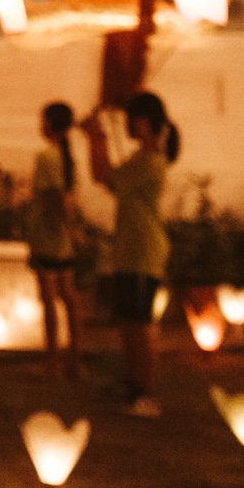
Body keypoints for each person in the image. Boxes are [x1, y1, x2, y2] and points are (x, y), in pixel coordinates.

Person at [83, 90, 180, 417]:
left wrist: (96, 139)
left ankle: (146, 392)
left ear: (142, 122)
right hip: (131, 250)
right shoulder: (142, 160)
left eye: (129, 120)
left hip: (142, 251)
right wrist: (97, 140)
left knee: (139, 326)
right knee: (128, 322)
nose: (125, 125)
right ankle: (132, 382)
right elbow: (110, 181)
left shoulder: (151, 162)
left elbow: (103, 175)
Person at [28, 101, 83, 378]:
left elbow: (57, 198)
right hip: (62, 238)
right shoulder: (68, 157)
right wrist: (73, 231)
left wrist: (67, 225)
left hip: (47, 236)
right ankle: (74, 357)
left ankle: (52, 361)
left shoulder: (47, 156)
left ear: (50, 123)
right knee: (69, 297)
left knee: (49, 299)